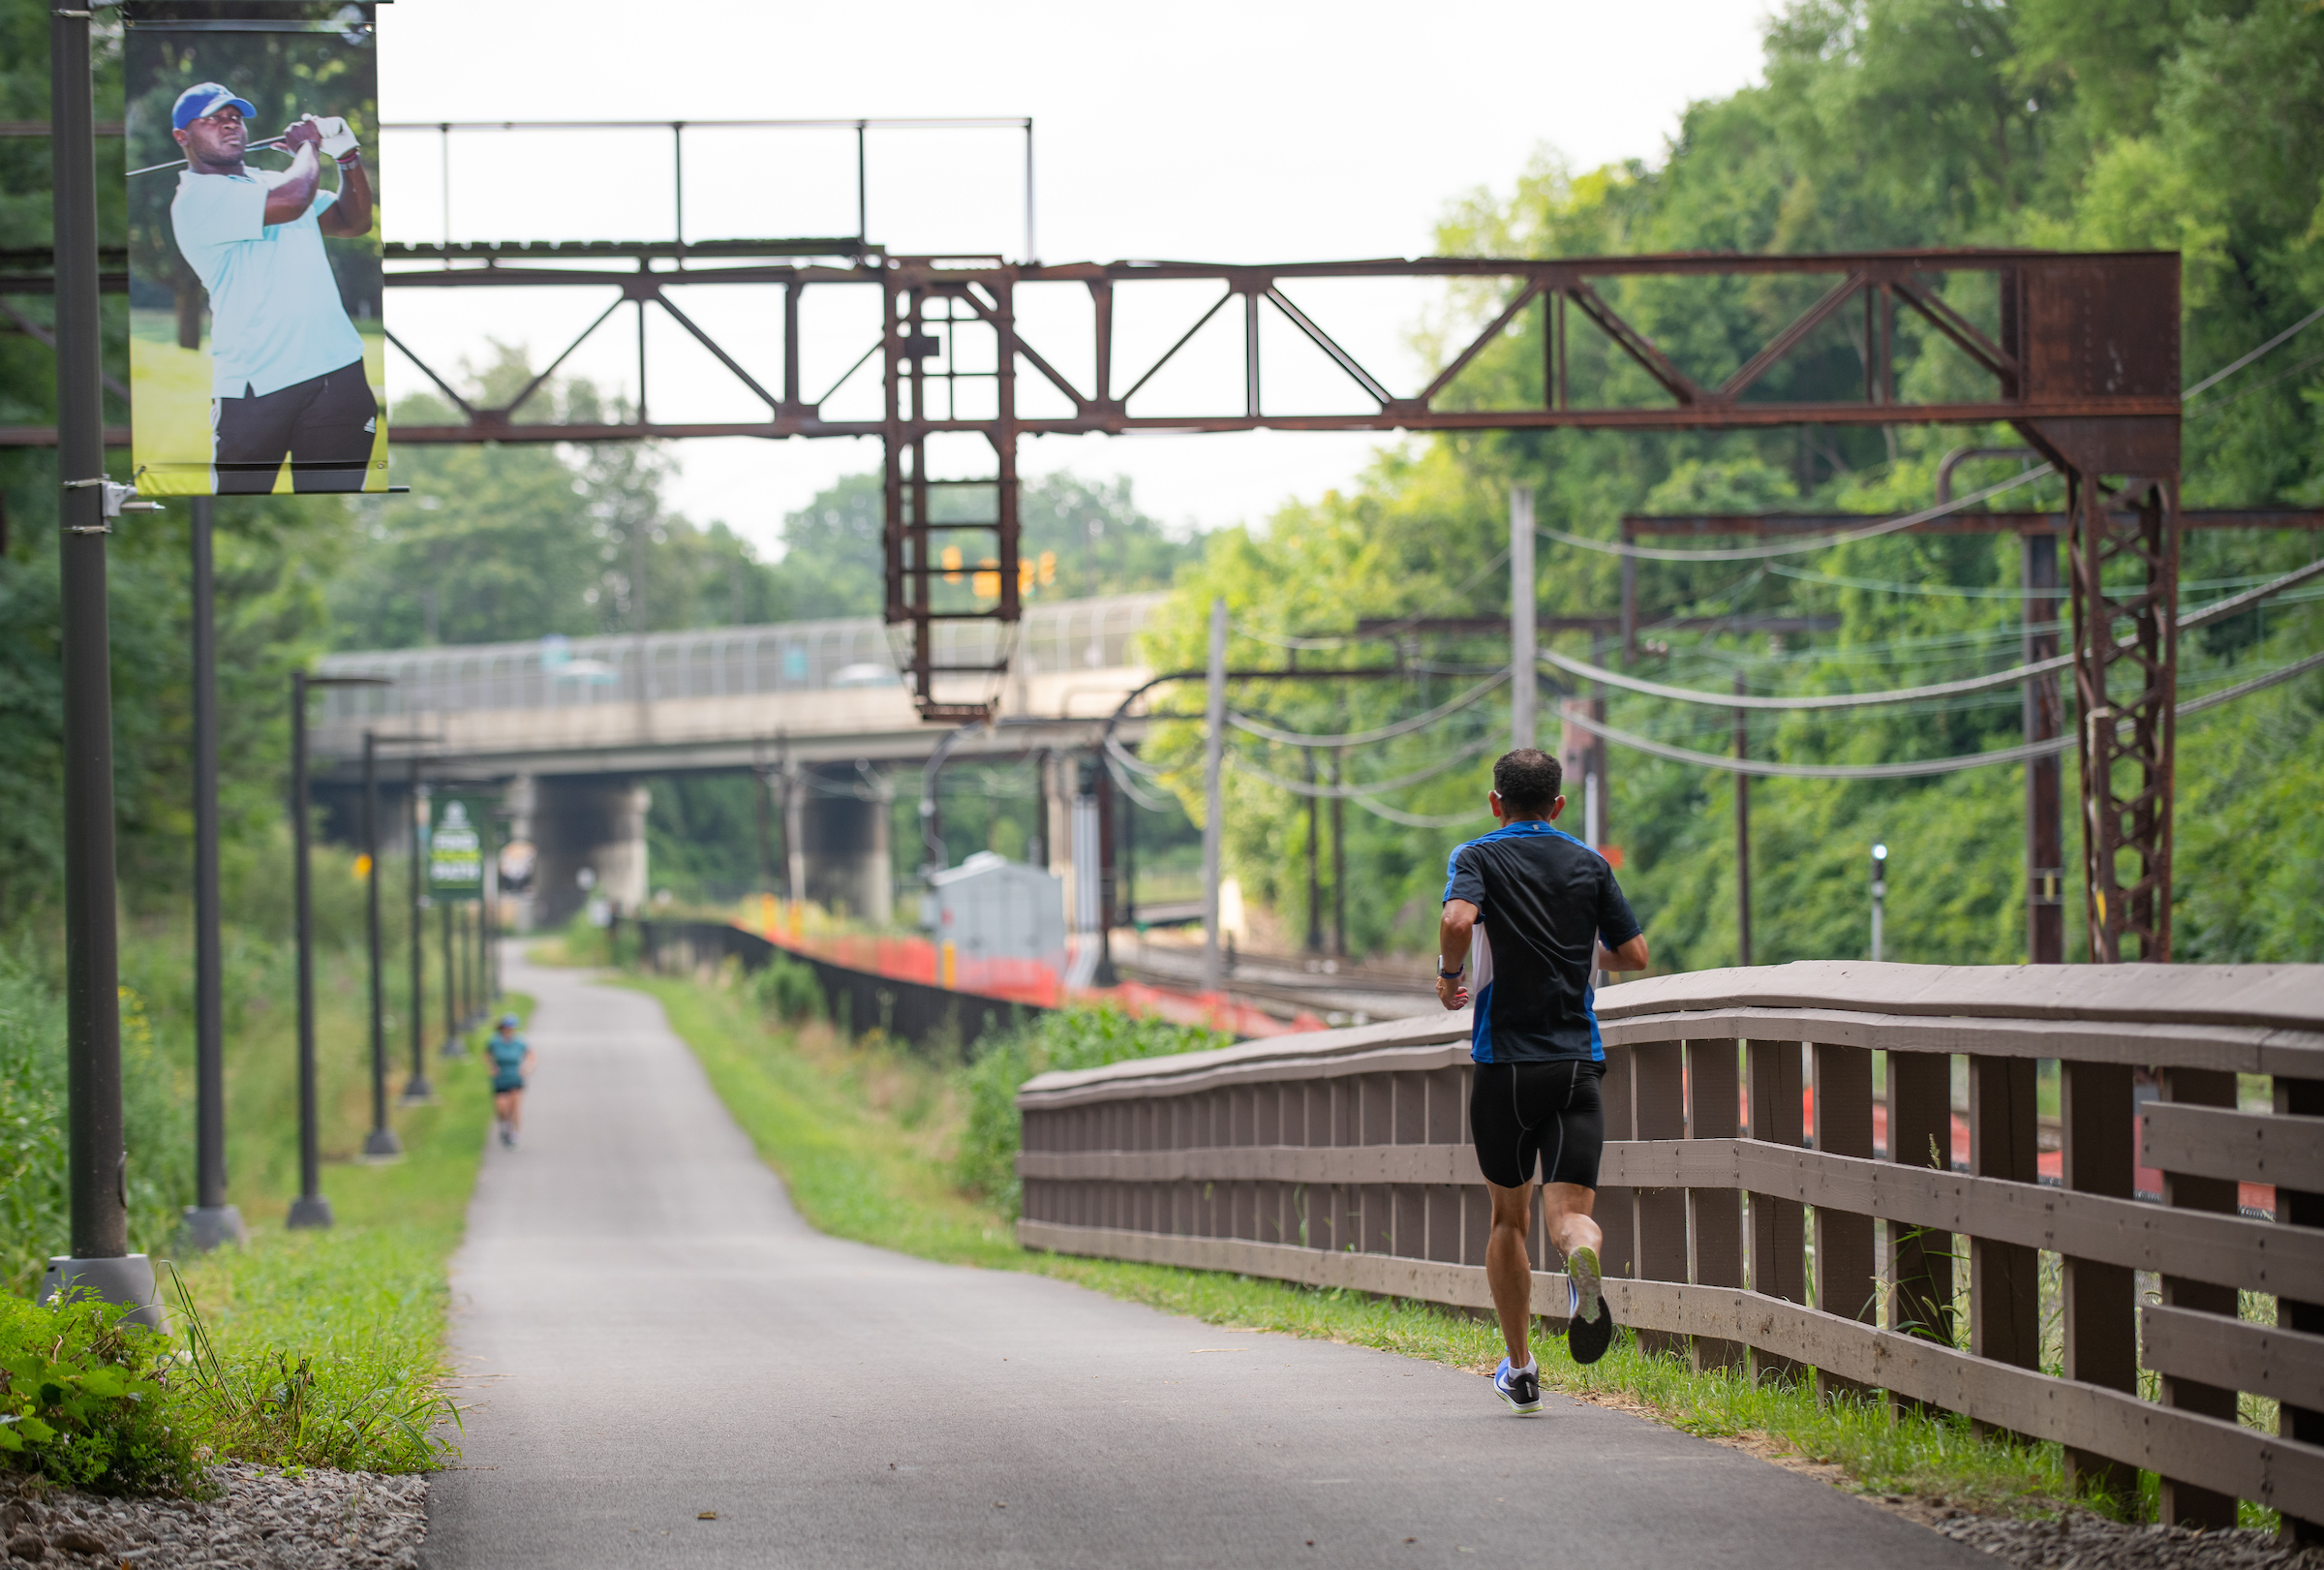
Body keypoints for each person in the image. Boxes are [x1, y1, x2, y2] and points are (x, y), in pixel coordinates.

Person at [1436, 748, 1651, 1415]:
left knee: (1509, 1217)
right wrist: (1577, 944)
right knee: (1569, 1215)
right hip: (1574, 1064)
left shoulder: (1476, 856)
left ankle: (1522, 1368)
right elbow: (1636, 955)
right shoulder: (1590, 864)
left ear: (1496, 802)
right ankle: (1582, 1255)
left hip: (1504, 1066)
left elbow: (1456, 920)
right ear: (1557, 805)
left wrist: (1451, 976)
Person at [166, 82, 376, 494]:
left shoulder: (272, 180)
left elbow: (353, 222)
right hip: (256, 386)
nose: (230, 126)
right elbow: (294, 199)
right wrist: (308, 148)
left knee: (329, 505)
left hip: (338, 372)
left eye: (235, 118)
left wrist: (348, 159)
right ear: (182, 137)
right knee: (239, 505)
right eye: (213, 120)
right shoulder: (195, 198)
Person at [487, 1013, 534, 1150]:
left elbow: (531, 1054)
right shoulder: (495, 1042)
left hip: (515, 1078)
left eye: (512, 1027)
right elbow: (487, 1054)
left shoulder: (519, 1042)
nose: (509, 1030)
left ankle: (514, 1132)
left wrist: (527, 1067)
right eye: (507, 1027)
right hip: (501, 1078)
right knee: (501, 1107)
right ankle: (504, 1124)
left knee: (515, 1106)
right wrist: (491, 1067)